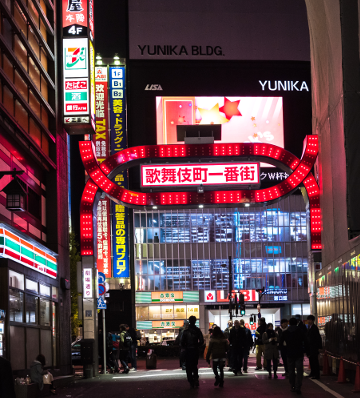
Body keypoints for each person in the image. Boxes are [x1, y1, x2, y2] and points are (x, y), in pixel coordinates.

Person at [281, 317, 308, 394]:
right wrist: (307, 351)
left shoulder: (285, 332)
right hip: (299, 353)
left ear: (289, 323)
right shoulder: (300, 331)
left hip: (289, 353)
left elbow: (281, 343)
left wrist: (284, 350)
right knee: (299, 370)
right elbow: (305, 342)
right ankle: (298, 386)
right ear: (296, 323)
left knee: (291, 370)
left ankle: (292, 385)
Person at [180, 315, 204, 388]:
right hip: (195, 350)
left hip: (188, 350)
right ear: (195, 321)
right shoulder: (197, 331)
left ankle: (191, 381)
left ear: (189, 321)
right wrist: (197, 345)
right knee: (194, 366)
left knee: (188, 367)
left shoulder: (185, 331)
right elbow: (202, 341)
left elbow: (181, 342)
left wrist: (185, 347)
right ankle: (196, 378)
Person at [306, 315, 322, 380]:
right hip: (311, 347)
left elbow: (317, 338)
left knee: (314, 361)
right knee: (312, 361)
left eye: (310, 320)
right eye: (308, 320)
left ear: (313, 320)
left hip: (314, 347)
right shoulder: (310, 327)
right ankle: (313, 373)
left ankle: (316, 374)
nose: (309, 321)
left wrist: (318, 347)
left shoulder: (314, 328)